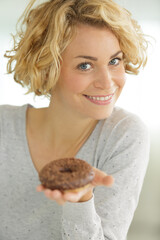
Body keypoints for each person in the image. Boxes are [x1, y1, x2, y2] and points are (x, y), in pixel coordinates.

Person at [0, 0, 150, 239]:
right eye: (85, 65)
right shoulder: (4, 128)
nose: (107, 82)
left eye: (114, 61)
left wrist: (81, 200)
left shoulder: (124, 134)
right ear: (47, 69)